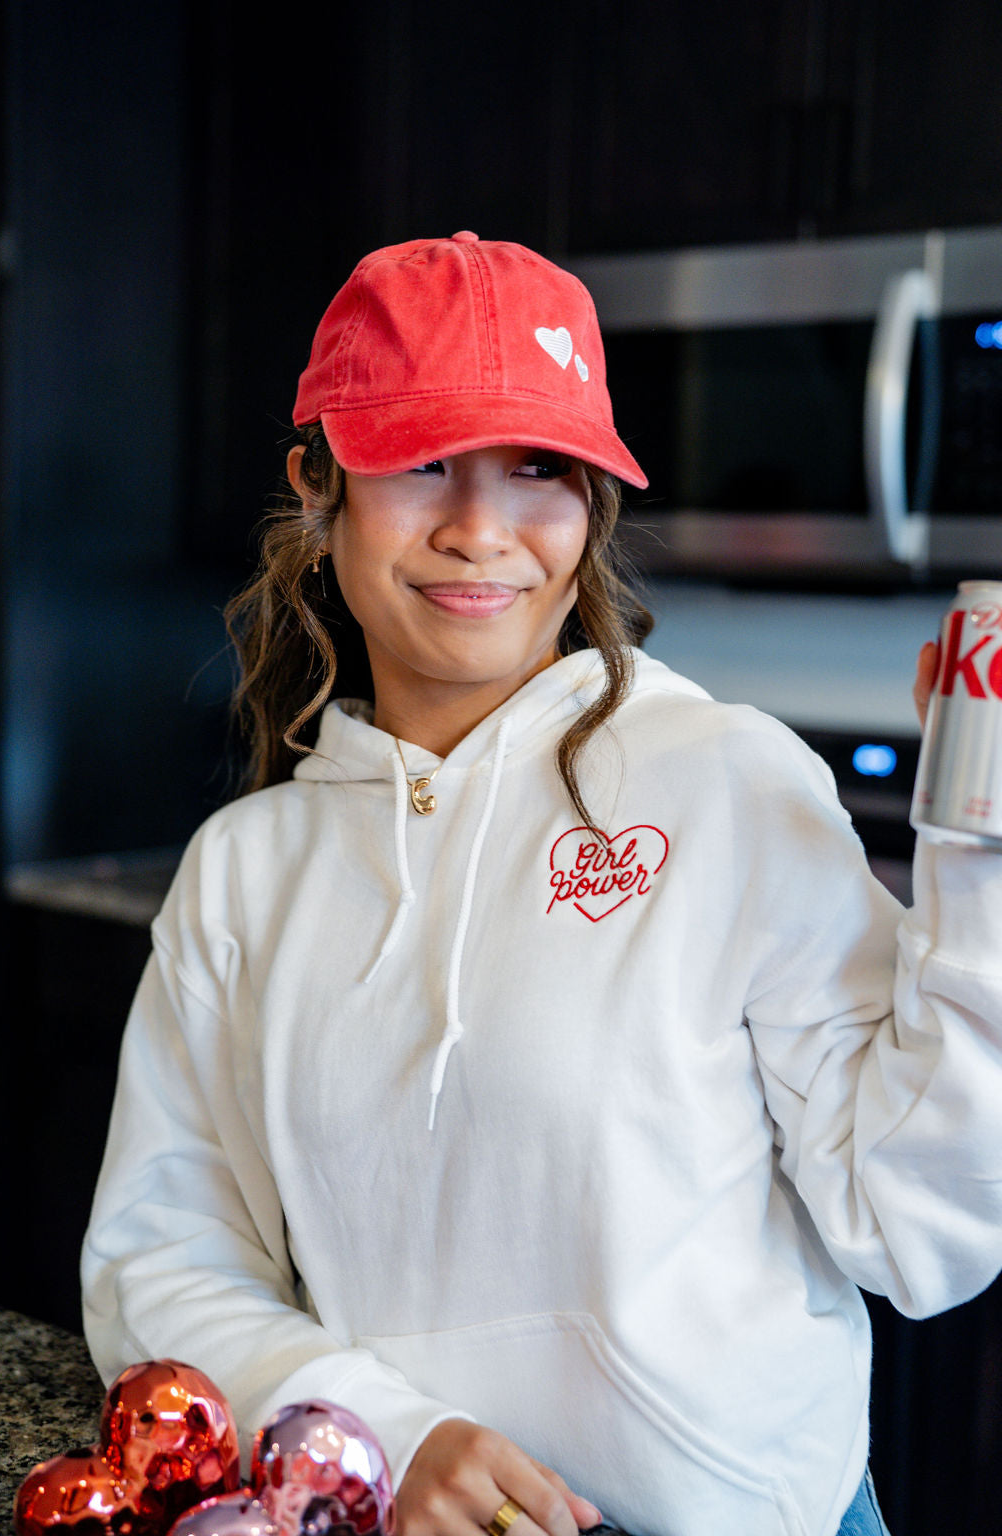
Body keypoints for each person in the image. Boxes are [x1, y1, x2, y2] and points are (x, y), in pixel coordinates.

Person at [81, 232, 1002, 1536]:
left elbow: (923, 1233)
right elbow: (162, 1259)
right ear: (319, 488)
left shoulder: (728, 783)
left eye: (537, 468)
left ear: (591, 506)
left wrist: (985, 875)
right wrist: (389, 1440)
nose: (480, 530)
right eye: (421, 462)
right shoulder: (243, 875)